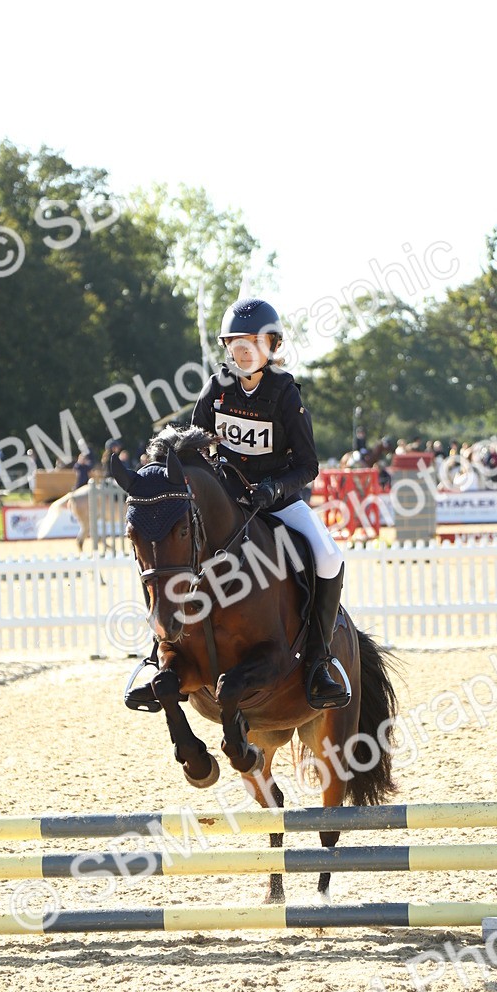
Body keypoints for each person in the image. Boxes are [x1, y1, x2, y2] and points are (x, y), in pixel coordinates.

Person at [128, 297, 350, 712]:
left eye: (253, 341)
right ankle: (154, 656)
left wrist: (272, 489)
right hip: (225, 504)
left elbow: (308, 465)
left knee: (328, 556)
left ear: (273, 346)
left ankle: (320, 661)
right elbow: (190, 450)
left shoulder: (285, 394)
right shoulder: (216, 389)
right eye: (235, 343)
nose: (243, 350)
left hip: (278, 503)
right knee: (169, 553)